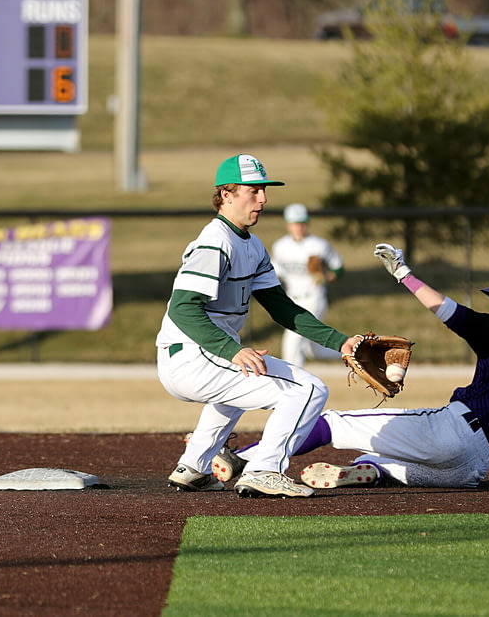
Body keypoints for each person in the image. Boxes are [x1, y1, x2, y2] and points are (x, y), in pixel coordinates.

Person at [221, 244, 489, 490]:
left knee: (327, 423)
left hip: (452, 431)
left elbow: (445, 309)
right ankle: (368, 471)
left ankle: (241, 461)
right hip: (472, 470)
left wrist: (404, 274)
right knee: (380, 458)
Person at [155, 154, 365, 498]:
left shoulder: (252, 245)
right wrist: (233, 350)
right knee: (309, 390)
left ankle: (193, 467)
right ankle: (265, 469)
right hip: (192, 355)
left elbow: (281, 308)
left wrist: (339, 341)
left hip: (200, 356)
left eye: (264, 190)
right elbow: (182, 310)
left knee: (241, 387)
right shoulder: (215, 241)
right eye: (253, 191)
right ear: (227, 195)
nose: (263, 199)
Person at [271, 203, 345, 367]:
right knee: (314, 350)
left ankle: (294, 383)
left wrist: (327, 274)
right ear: (287, 224)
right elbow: (274, 273)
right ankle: (354, 353)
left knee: (293, 339)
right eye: (294, 223)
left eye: (301, 223)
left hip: (314, 297)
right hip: (292, 300)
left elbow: (338, 267)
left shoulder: (319, 245)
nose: (298, 227)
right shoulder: (280, 246)